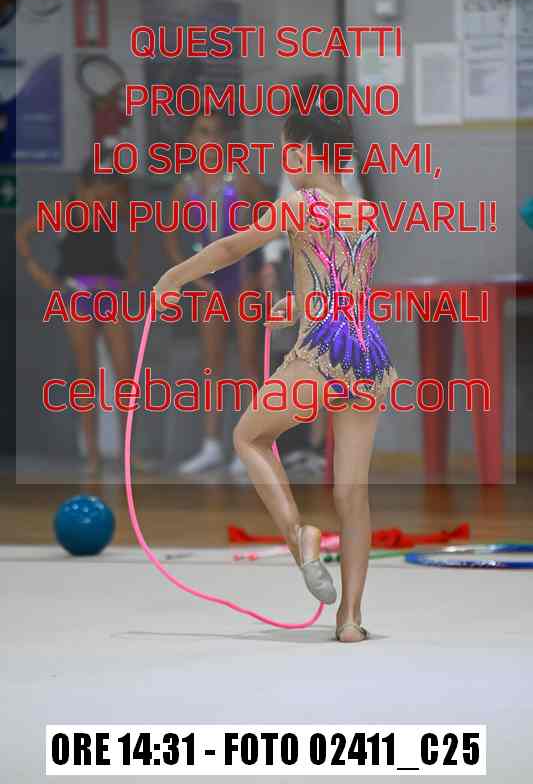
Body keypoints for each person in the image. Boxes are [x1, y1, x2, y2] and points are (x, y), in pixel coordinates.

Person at [154, 106, 398, 643]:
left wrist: (173, 276)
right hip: (368, 359)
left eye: (287, 148)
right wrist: (297, 305)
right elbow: (346, 286)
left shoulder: (298, 205)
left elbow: (229, 247)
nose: (283, 159)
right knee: (352, 495)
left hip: (322, 355)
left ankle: (299, 534)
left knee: (249, 437)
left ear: (307, 151)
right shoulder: (364, 211)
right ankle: (350, 619)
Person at [164, 111, 272, 476]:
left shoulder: (241, 179)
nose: (210, 139)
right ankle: (211, 444)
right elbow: (169, 239)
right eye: (203, 132)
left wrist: (259, 267)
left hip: (241, 278)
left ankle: (252, 444)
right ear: (191, 140)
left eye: (216, 132)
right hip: (209, 283)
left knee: (248, 360)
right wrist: (191, 277)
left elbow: (273, 223)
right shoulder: (185, 187)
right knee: (212, 363)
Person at [16, 159, 140, 476]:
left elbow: (135, 228)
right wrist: (36, 270)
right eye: (100, 195)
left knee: (126, 374)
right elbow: (23, 234)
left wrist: (131, 267)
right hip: (77, 293)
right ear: (83, 187)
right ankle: (93, 453)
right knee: (86, 376)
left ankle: (127, 454)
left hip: (110, 291)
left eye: (110, 196)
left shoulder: (113, 207)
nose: (106, 202)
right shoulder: (63, 209)